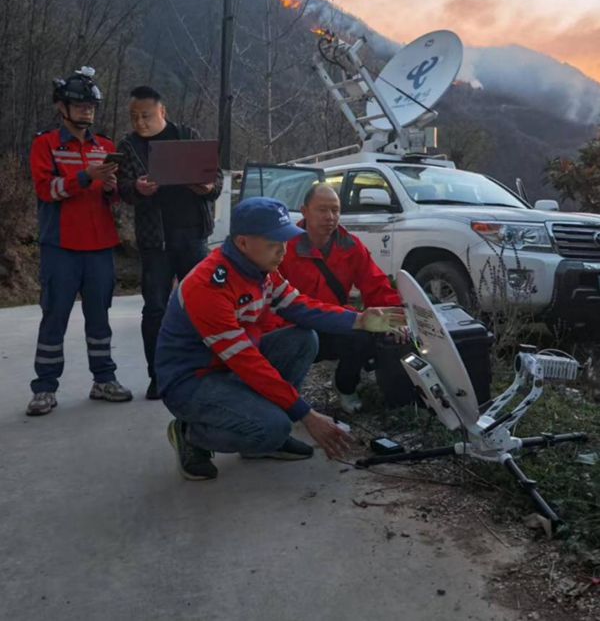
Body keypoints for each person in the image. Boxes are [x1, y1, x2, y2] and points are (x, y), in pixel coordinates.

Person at [155, 197, 405, 481]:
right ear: (243, 243)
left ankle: (262, 441)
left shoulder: (261, 272)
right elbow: (246, 362)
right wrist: (305, 414)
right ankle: (190, 434)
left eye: (285, 242)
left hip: (227, 366)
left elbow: (301, 307)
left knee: (303, 339)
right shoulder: (209, 286)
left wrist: (358, 320)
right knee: (273, 428)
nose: (283, 251)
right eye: (274, 244)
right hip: (193, 381)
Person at [26, 67, 133, 416]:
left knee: (100, 317)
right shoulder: (45, 144)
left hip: (100, 245)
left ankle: (104, 379)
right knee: (54, 316)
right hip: (60, 245)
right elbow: (47, 190)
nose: (87, 111)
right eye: (80, 105)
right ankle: (44, 388)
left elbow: (112, 198)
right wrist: (86, 176)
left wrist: (110, 188)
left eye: (91, 106)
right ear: (62, 106)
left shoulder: (106, 146)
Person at [117, 86, 223, 400]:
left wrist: (206, 188)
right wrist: (137, 189)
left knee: (200, 306)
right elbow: (123, 189)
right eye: (134, 116)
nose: (139, 122)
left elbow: (215, 180)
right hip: (155, 241)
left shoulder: (187, 136)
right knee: (155, 310)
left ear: (162, 111)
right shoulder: (129, 146)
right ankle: (158, 376)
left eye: (145, 115)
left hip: (193, 236)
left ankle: (201, 371)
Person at [273, 183, 403, 414]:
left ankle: (346, 386)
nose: (330, 217)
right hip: (293, 326)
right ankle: (282, 394)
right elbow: (268, 295)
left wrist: (395, 318)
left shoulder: (350, 245)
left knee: (365, 333)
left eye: (335, 210)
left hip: (334, 321)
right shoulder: (285, 246)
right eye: (322, 210)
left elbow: (376, 285)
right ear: (304, 211)